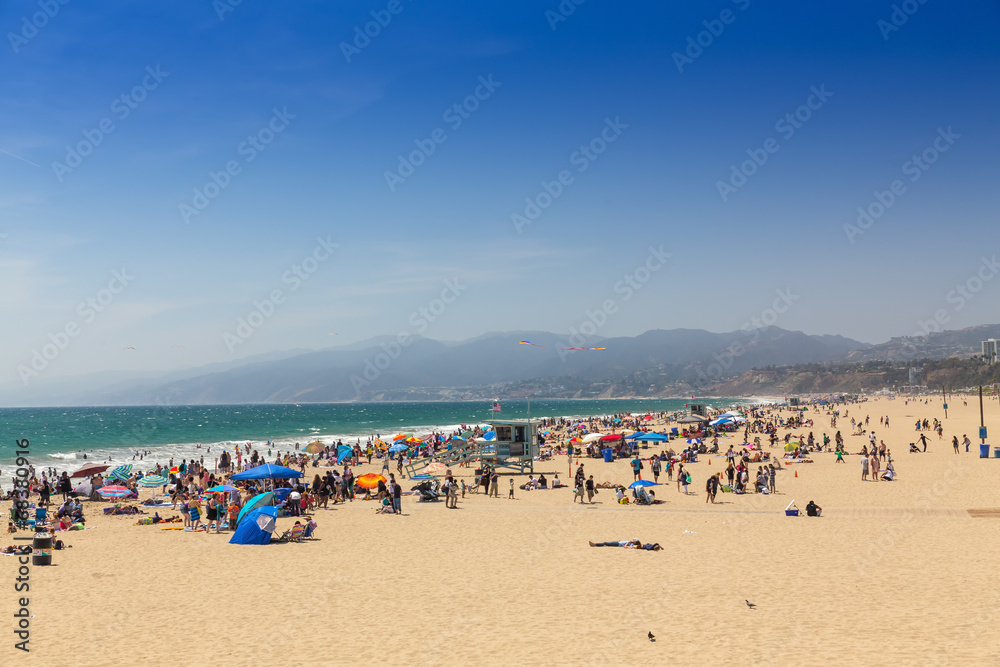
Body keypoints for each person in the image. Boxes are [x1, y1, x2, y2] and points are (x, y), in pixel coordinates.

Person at [588, 539, 661, 551]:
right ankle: (595, 544)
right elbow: (656, 543)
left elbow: (624, 547)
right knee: (606, 543)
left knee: (605, 543)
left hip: (618, 544)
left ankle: (594, 544)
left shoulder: (632, 545)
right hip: (619, 542)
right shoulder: (633, 543)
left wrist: (628, 543)